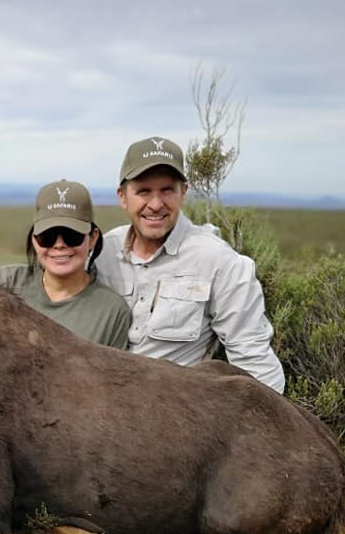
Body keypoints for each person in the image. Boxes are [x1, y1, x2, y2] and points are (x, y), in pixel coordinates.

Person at [94, 137, 285, 392]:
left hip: (173, 414)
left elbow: (251, 355)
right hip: (98, 404)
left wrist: (272, 424)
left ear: (184, 191)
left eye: (167, 190)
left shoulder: (218, 261)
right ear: (123, 196)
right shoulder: (101, 252)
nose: (155, 204)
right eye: (143, 191)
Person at [0, 179, 131, 348]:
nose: (59, 245)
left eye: (72, 235)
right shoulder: (2, 283)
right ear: (34, 240)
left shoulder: (112, 312)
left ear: (92, 238)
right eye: (47, 237)